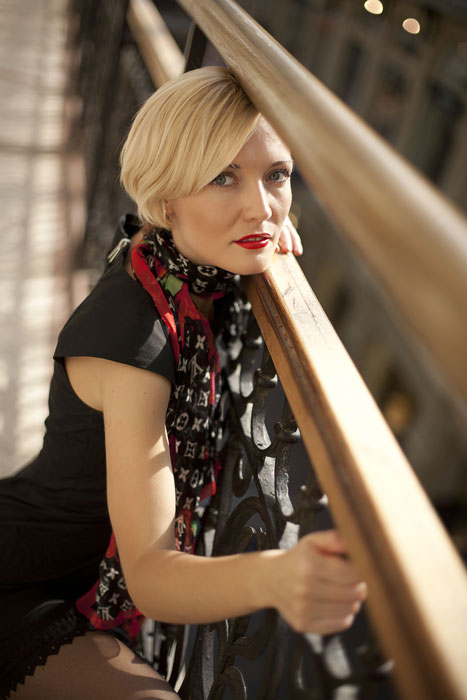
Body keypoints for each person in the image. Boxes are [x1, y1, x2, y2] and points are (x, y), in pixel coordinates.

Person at [0, 66, 367, 699]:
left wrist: (261, 229)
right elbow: (150, 576)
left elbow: (249, 214)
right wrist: (277, 576)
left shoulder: (166, 261)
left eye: (277, 175)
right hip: (23, 581)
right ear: (167, 197)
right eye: (223, 176)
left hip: (71, 571)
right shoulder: (132, 339)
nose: (261, 206)